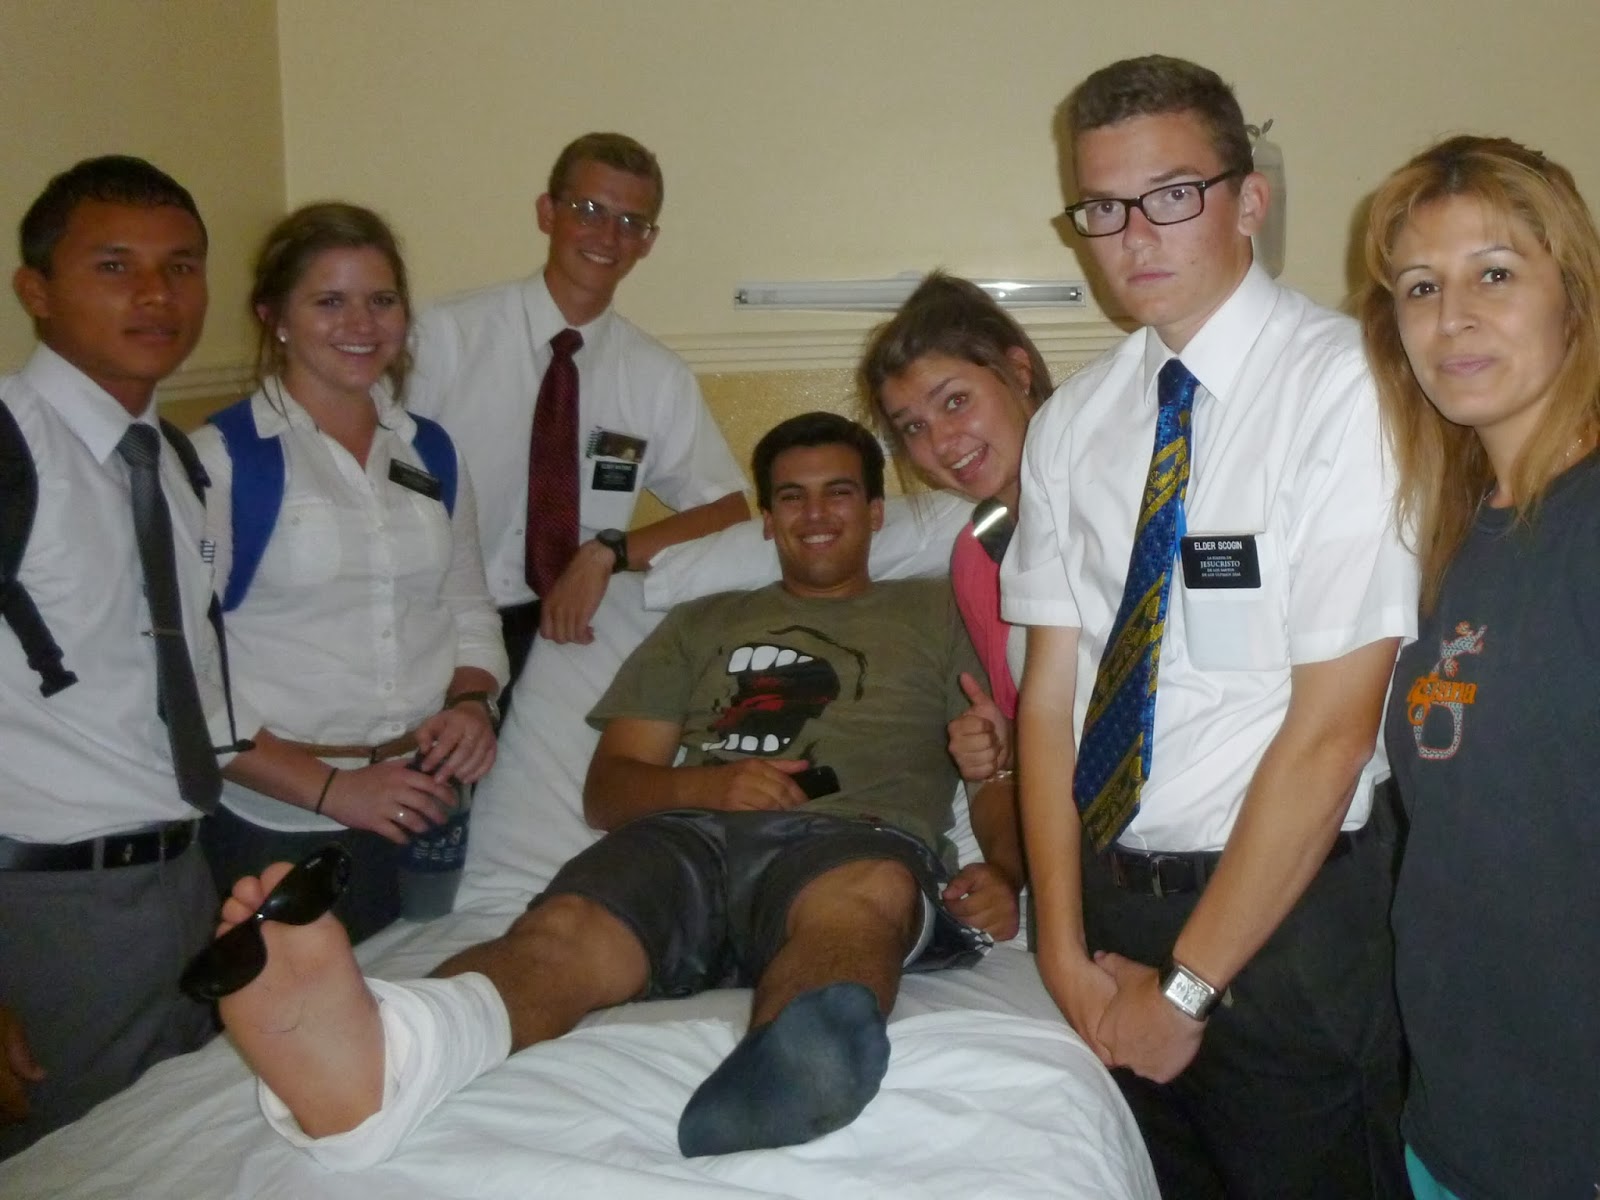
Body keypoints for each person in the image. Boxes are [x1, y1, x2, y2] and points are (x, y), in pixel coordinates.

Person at [211, 412, 1023, 1169]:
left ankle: (789, 1067)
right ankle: (391, 1054)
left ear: (876, 513)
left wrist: (1007, 872)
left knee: (864, 897)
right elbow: (609, 792)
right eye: (791, 497)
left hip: (853, 840)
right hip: (687, 842)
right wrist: (712, 785)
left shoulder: (938, 612)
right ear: (767, 519)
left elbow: (994, 768)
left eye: (838, 493)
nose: (815, 515)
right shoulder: (700, 622)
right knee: (563, 932)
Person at [1002, 56, 1416, 1197]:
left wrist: (1188, 989)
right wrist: (1058, 945)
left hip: (1285, 928)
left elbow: (1333, 732)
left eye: (1172, 195)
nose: (1134, 235)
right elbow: (1049, 699)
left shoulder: (1350, 390)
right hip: (1110, 915)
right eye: (1102, 208)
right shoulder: (1073, 424)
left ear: (1249, 200)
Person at [1357, 135, 1600, 1200]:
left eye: (1493, 274)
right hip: (1459, 1109)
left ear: (1574, 296)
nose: (1450, 317)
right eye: (1421, 286)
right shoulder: (1450, 539)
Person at [188, 203, 508, 943]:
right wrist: (335, 790)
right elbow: (187, 682)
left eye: (381, 299)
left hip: (421, 811)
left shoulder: (430, 451)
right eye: (329, 301)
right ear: (274, 316)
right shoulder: (221, 460)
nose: (361, 324)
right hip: (276, 822)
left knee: (408, 1001)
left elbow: (466, 604)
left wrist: (472, 702)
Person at [0, 155, 235, 1158]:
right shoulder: (11, 447)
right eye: (114, 265)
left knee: (171, 1160)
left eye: (181, 266)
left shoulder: (171, 460)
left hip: (182, 880)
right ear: (35, 290)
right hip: (47, 907)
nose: (156, 293)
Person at [407, 132, 748, 695]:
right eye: (589, 210)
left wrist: (607, 553)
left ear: (648, 242)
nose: (608, 237)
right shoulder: (446, 336)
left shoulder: (655, 376)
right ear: (548, 212)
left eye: (631, 222)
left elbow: (728, 510)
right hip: (433, 622)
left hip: (561, 635)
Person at [859, 271, 1053, 757]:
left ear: (1019, 372)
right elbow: (1027, 718)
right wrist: (1001, 743)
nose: (942, 443)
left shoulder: (1118, 496)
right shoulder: (978, 554)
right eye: (913, 427)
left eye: (956, 401)